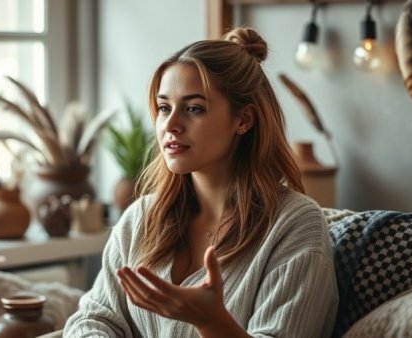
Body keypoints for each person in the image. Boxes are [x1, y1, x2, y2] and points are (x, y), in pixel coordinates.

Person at [64, 26, 338, 338]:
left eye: (194, 108)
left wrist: (212, 322)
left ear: (244, 120)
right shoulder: (140, 218)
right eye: (164, 107)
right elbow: (93, 320)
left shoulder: (295, 224)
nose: (171, 124)